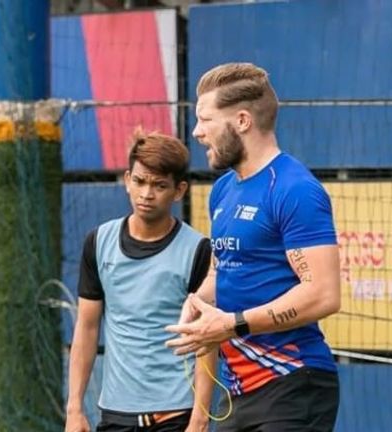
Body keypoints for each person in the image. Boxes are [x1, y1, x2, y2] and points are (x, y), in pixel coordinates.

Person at [165, 62, 342, 432]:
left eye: (206, 120)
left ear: (242, 121)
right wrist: (198, 301)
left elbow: (324, 295)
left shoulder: (294, 189)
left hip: (295, 383)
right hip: (239, 391)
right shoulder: (223, 190)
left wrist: (233, 324)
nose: (196, 132)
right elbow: (221, 267)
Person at [66, 128, 214, 432]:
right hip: (115, 414)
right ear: (126, 181)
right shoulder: (98, 241)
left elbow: (207, 339)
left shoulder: (198, 250)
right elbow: (87, 326)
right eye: (139, 181)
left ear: (179, 191)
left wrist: (199, 418)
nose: (147, 194)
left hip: (176, 415)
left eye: (159, 185)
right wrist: (74, 407)